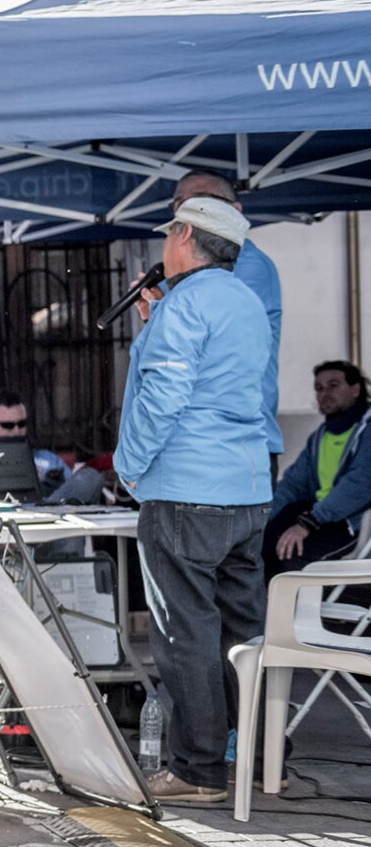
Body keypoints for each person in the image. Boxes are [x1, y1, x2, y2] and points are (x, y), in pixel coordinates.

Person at [115, 193, 271, 806]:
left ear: (184, 236)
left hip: (184, 490)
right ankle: (245, 759)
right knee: (240, 630)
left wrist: (130, 468)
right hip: (247, 488)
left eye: (167, 235)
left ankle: (197, 770)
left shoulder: (187, 303)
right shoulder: (246, 302)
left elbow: (164, 397)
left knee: (186, 634)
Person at [140, 172, 282, 474]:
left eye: (206, 202)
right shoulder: (188, 281)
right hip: (200, 445)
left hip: (230, 446)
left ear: (235, 210)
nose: (194, 210)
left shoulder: (247, 265)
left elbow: (202, 333)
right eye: (183, 204)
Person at [267, 360, 371, 577]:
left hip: (353, 524)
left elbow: (360, 483)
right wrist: (259, 520)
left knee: (294, 556)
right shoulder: (320, 436)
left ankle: (298, 610)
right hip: (321, 517)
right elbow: (293, 485)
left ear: (355, 389)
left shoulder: (367, 430)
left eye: (333, 385)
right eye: (319, 388)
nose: (325, 393)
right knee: (262, 544)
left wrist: (308, 523)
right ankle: (262, 609)